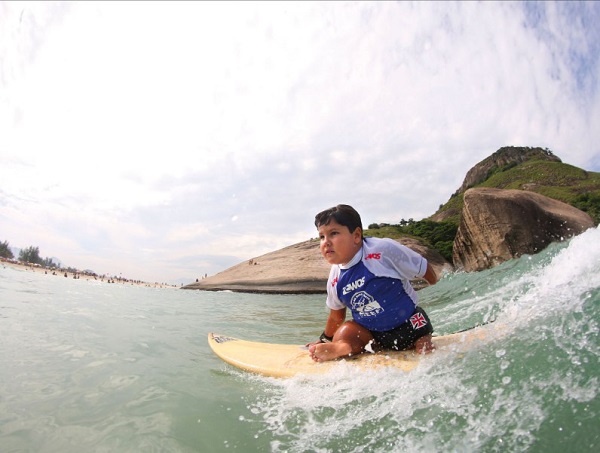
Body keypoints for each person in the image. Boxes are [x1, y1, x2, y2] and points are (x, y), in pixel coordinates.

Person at [307, 204, 438, 362]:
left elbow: (422, 267)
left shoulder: (382, 250)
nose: (326, 242)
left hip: (409, 325)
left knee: (419, 321)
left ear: (356, 236)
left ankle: (422, 341)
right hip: (373, 336)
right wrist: (324, 339)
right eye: (322, 237)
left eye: (333, 233)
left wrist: (437, 286)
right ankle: (342, 347)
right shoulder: (335, 278)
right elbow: (336, 317)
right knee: (347, 330)